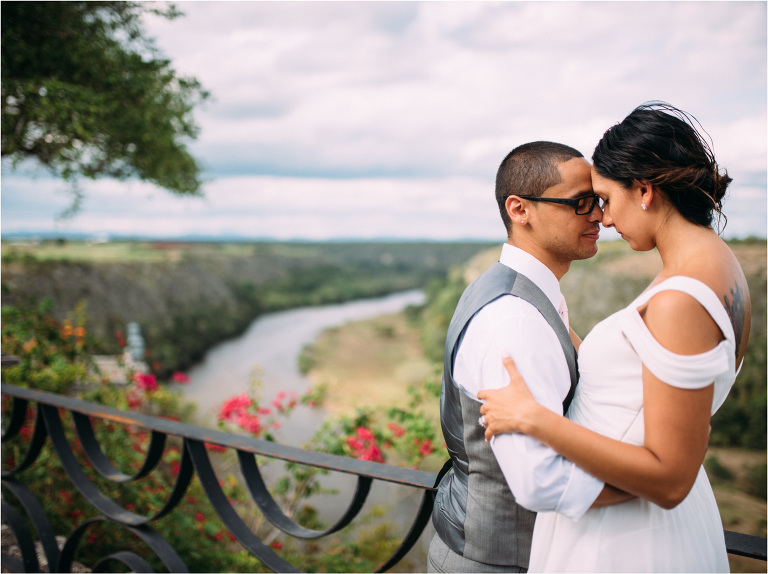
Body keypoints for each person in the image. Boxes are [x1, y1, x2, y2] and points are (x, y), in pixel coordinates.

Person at [478, 103, 750, 572]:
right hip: (647, 524)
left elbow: (670, 478)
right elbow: (641, 382)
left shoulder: (679, 300)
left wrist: (535, 419)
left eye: (604, 198)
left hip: (628, 540)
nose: (603, 219)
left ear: (644, 190)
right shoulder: (721, 267)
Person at [428, 141, 630, 573]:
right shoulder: (514, 319)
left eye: (598, 200)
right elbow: (541, 480)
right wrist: (650, 483)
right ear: (520, 209)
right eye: (580, 202)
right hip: (499, 560)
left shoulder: (518, 289)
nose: (599, 215)